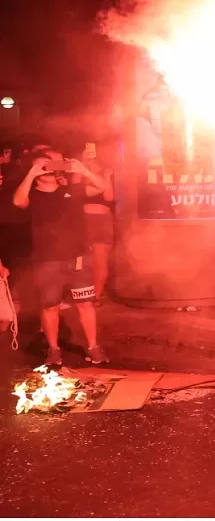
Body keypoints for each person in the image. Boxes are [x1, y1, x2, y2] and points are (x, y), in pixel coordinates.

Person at [12, 149, 112, 366]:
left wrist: (84, 170)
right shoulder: (32, 194)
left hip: (78, 257)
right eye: (41, 166)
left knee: (85, 303)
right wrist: (30, 175)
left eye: (49, 164)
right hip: (47, 260)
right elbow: (18, 202)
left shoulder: (72, 190)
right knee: (50, 306)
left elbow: (104, 188)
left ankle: (94, 347)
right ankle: (54, 349)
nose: (47, 169)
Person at [79, 144, 114, 307]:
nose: (91, 157)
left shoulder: (107, 171)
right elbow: (74, 191)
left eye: (93, 154)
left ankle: (96, 296)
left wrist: (106, 178)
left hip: (102, 220)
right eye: (88, 154)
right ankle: (81, 294)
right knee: (82, 261)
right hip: (82, 220)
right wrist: (83, 163)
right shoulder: (79, 171)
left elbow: (109, 197)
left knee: (100, 260)